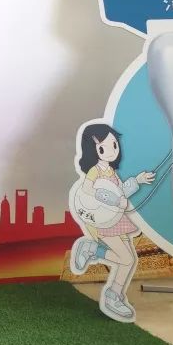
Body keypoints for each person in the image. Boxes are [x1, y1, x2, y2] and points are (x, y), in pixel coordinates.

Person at [68, 123, 155, 323]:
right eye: (103, 147)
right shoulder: (95, 171)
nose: (111, 151)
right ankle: (112, 294)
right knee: (127, 260)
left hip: (116, 219)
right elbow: (88, 190)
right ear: (93, 150)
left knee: (128, 260)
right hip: (103, 221)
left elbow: (120, 192)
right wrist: (115, 200)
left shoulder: (111, 172)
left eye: (114, 145)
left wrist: (137, 181)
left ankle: (94, 252)